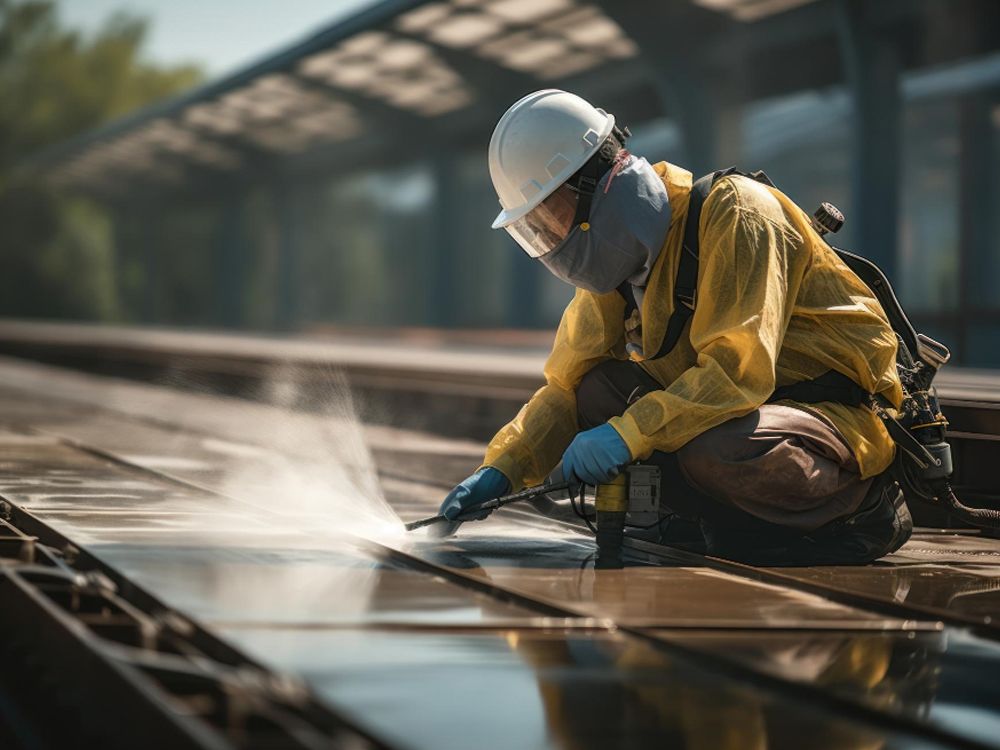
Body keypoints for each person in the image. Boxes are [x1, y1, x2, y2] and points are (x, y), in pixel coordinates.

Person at [437, 88, 912, 565]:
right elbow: (564, 388)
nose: (553, 242)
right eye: (537, 230)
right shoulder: (615, 272)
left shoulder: (737, 215)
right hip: (745, 411)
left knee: (717, 449)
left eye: (554, 219)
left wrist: (627, 434)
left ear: (602, 184)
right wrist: (503, 467)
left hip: (831, 415)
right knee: (594, 390)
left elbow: (735, 374)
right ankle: (716, 516)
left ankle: (857, 509)